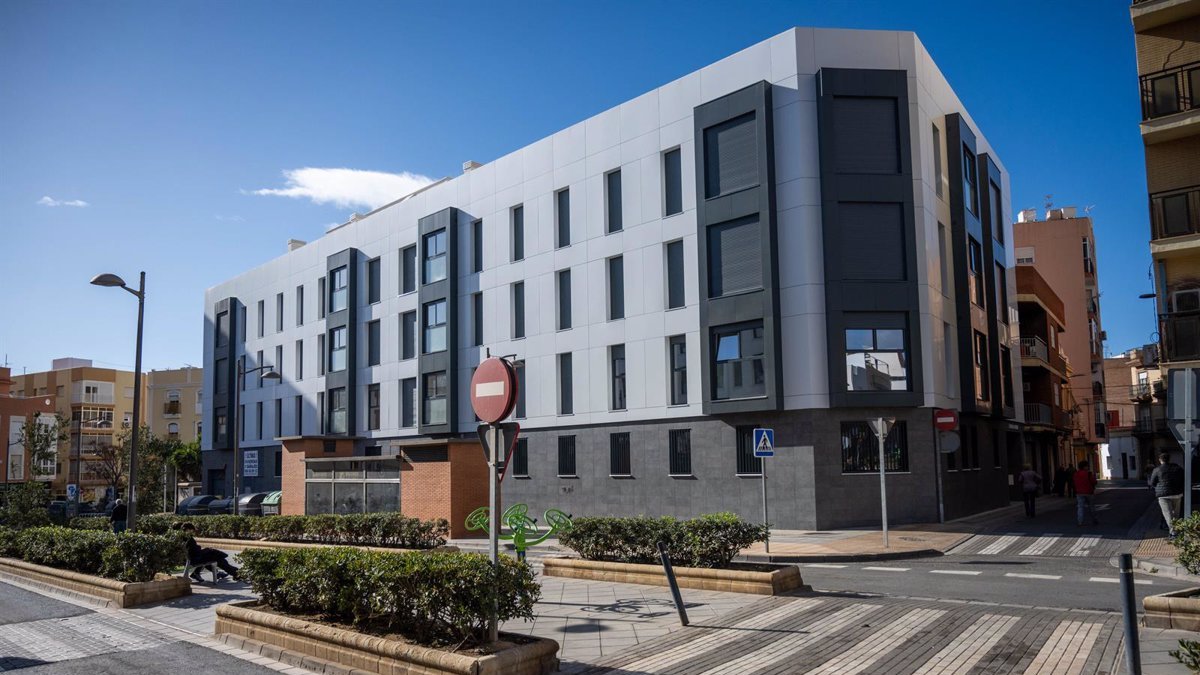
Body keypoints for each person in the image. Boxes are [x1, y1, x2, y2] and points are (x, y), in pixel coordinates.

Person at [176, 523, 240, 581]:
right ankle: (236, 573)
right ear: (188, 530)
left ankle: (235, 573)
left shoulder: (181, 538)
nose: (192, 532)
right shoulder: (188, 538)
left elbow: (192, 550)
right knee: (217, 557)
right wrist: (205, 550)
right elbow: (195, 552)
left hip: (191, 558)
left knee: (217, 557)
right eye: (192, 531)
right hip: (195, 559)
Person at [1149, 452, 1185, 540]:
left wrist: (1157, 486)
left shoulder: (1157, 470)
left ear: (1160, 460)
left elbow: (1152, 483)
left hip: (1163, 496)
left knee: (1168, 514)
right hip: (1177, 494)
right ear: (1169, 459)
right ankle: (1175, 532)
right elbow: (1183, 479)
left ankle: (1173, 534)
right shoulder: (1178, 468)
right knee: (1176, 514)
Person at [1073, 460, 1099, 526]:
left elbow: (1074, 482)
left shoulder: (1076, 474)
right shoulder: (1089, 474)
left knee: (1080, 507)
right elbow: (1094, 482)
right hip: (1089, 492)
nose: (1088, 467)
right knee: (1091, 507)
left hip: (1079, 492)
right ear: (1084, 467)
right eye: (1087, 466)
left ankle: (1080, 521)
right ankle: (1094, 519)